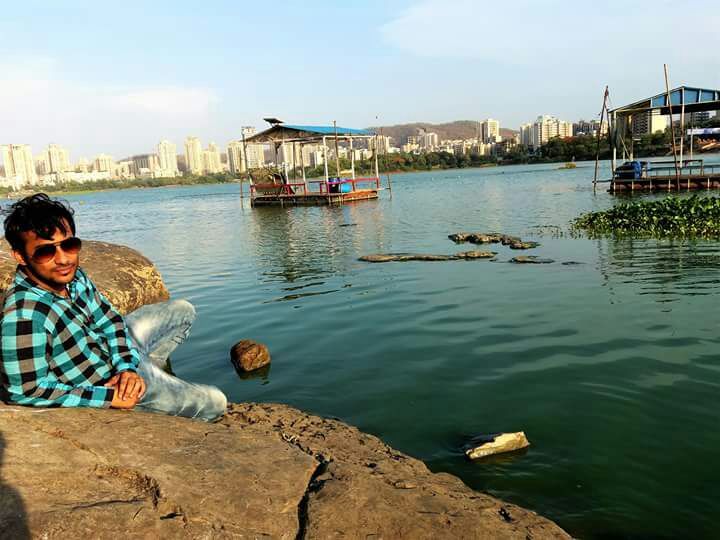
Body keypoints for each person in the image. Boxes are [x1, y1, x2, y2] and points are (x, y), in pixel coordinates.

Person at [0, 194, 226, 421]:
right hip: (107, 384)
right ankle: (151, 386)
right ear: (20, 256)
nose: (64, 259)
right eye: (45, 252)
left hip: (121, 355)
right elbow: (24, 391)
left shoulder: (73, 278)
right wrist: (108, 398)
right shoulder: (24, 317)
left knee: (183, 310)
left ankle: (150, 369)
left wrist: (127, 367)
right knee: (216, 403)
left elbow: (109, 320)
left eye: (69, 245)